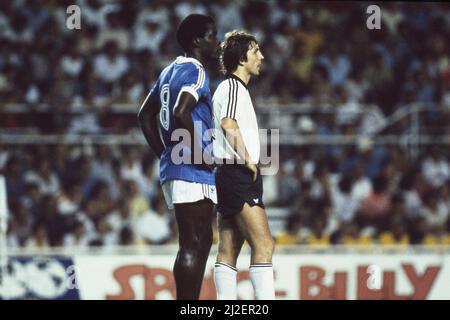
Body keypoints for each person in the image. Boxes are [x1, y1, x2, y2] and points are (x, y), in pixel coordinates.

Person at [137, 14, 220, 300]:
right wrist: (199, 154)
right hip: (191, 166)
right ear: (198, 40)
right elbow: (181, 112)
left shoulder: (168, 71)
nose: (217, 42)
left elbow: (144, 116)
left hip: (179, 164)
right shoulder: (196, 71)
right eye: (213, 35)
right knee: (193, 242)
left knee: (202, 239)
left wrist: (165, 153)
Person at [212, 30, 275, 300]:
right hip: (237, 173)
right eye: (255, 51)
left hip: (226, 172)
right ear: (241, 59)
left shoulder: (229, 88)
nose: (261, 56)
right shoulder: (234, 86)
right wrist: (249, 160)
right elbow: (229, 124)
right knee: (264, 244)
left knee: (229, 249)